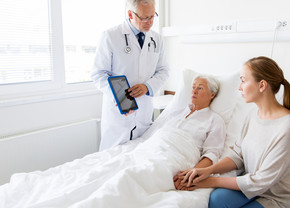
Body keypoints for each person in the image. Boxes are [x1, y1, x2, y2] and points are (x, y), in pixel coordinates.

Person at [0, 76, 226, 208]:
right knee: (100, 169)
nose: (194, 91)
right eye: (193, 86)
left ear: (212, 95)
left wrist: (194, 173)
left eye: (200, 88)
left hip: (174, 155)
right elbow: (156, 133)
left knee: (128, 178)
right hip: (149, 147)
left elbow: (212, 154)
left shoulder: (214, 120)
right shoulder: (177, 111)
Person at [175, 56, 290, 208]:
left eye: (243, 80)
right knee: (216, 200)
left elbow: (261, 181)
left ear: (262, 85)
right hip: (257, 190)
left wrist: (208, 181)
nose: (239, 87)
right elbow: (237, 156)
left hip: (283, 199)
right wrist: (207, 170)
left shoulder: (289, 127)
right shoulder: (253, 115)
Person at [91, 0, 169, 151]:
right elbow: (98, 74)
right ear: (130, 14)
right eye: (144, 18)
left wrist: (147, 86)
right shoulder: (111, 36)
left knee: (138, 157)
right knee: (111, 159)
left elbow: (163, 71)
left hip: (144, 112)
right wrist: (122, 98)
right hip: (118, 114)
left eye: (153, 16)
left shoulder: (157, 39)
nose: (150, 22)